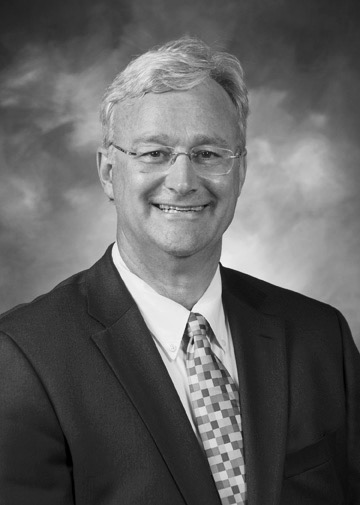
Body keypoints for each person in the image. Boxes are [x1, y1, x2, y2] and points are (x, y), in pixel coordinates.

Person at [0, 37, 359, 505]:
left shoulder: (320, 336)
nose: (184, 181)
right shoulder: (24, 358)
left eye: (209, 153)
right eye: (154, 153)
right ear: (109, 172)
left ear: (241, 170)